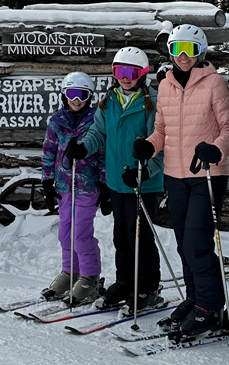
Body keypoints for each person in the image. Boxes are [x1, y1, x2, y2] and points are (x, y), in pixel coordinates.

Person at [131, 24, 229, 336]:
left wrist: (215, 149)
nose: (183, 56)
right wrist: (150, 145)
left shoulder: (214, 83)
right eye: (177, 50)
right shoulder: (165, 85)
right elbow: (162, 128)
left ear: (201, 51)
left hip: (206, 173)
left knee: (196, 243)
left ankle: (211, 307)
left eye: (190, 50)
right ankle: (196, 298)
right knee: (182, 243)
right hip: (174, 175)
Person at [65, 47, 165, 313]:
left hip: (142, 182)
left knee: (139, 237)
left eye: (132, 72)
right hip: (117, 182)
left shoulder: (152, 102)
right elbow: (98, 132)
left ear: (142, 74)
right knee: (121, 236)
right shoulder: (109, 100)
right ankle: (125, 282)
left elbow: (162, 144)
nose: (126, 77)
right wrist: (84, 147)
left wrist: (146, 171)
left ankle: (147, 287)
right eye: (120, 71)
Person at [41, 72, 110, 304]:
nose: (76, 99)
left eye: (82, 94)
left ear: (89, 96)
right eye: (71, 94)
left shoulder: (95, 121)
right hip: (63, 187)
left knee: (81, 234)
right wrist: (47, 183)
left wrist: (104, 183)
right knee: (65, 233)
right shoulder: (57, 122)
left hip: (87, 186)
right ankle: (70, 273)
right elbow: (49, 152)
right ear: (64, 95)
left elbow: (102, 153)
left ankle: (89, 277)